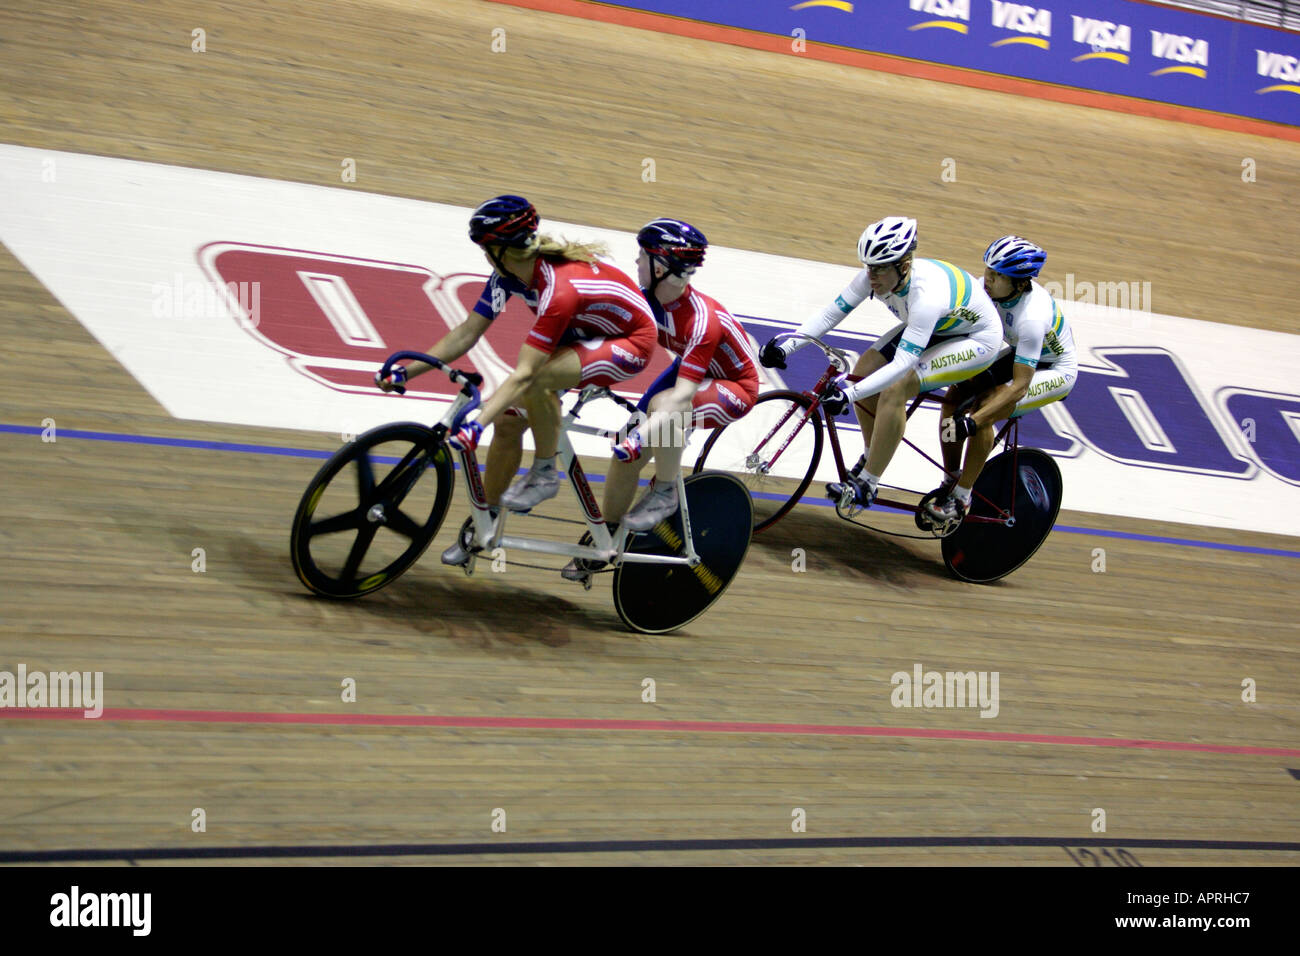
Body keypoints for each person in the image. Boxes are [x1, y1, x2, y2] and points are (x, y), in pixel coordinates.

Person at [376, 194, 657, 565]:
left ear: (500, 248)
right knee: (508, 421)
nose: (483, 255)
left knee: (537, 381)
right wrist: (407, 372)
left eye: (485, 247)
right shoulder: (507, 276)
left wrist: (476, 424)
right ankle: (485, 524)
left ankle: (544, 474)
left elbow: (525, 373)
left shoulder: (558, 288)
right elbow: (467, 333)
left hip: (630, 343)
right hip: (583, 337)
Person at [562, 218, 759, 579]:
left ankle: (666, 490)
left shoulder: (702, 320)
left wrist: (646, 432)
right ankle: (605, 537)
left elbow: (682, 396)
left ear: (663, 266)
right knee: (624, 453)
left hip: (733, 385)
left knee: (663, 409)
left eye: (642, 256)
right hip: (691, 374)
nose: (636, 263)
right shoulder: (645, 300)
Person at [759, 216, 1001, 509]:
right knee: (861, 371)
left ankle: (868, 483)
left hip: (976, 339)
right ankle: (871, 452)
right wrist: (786, 348)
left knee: (897, 388)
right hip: (943, 325)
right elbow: (829, 315)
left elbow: (902, 363)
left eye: (880, 269)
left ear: (904, 266)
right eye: (869, 267)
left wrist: (848, 396)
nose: (872, 277)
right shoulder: (875, 276)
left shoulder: (925, 297)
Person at [921, 235, 1077, 525]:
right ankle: (952, 478)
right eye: (987, 271)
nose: (987, 279)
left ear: (1019, 283)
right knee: (954, 396)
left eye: (996, 276)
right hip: (1021, 353)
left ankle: (963, 497)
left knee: (985, 411)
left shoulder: (1031, 317)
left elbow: (1019, 387)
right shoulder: (989, 289)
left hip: (1055, 370)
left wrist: (973, 421)